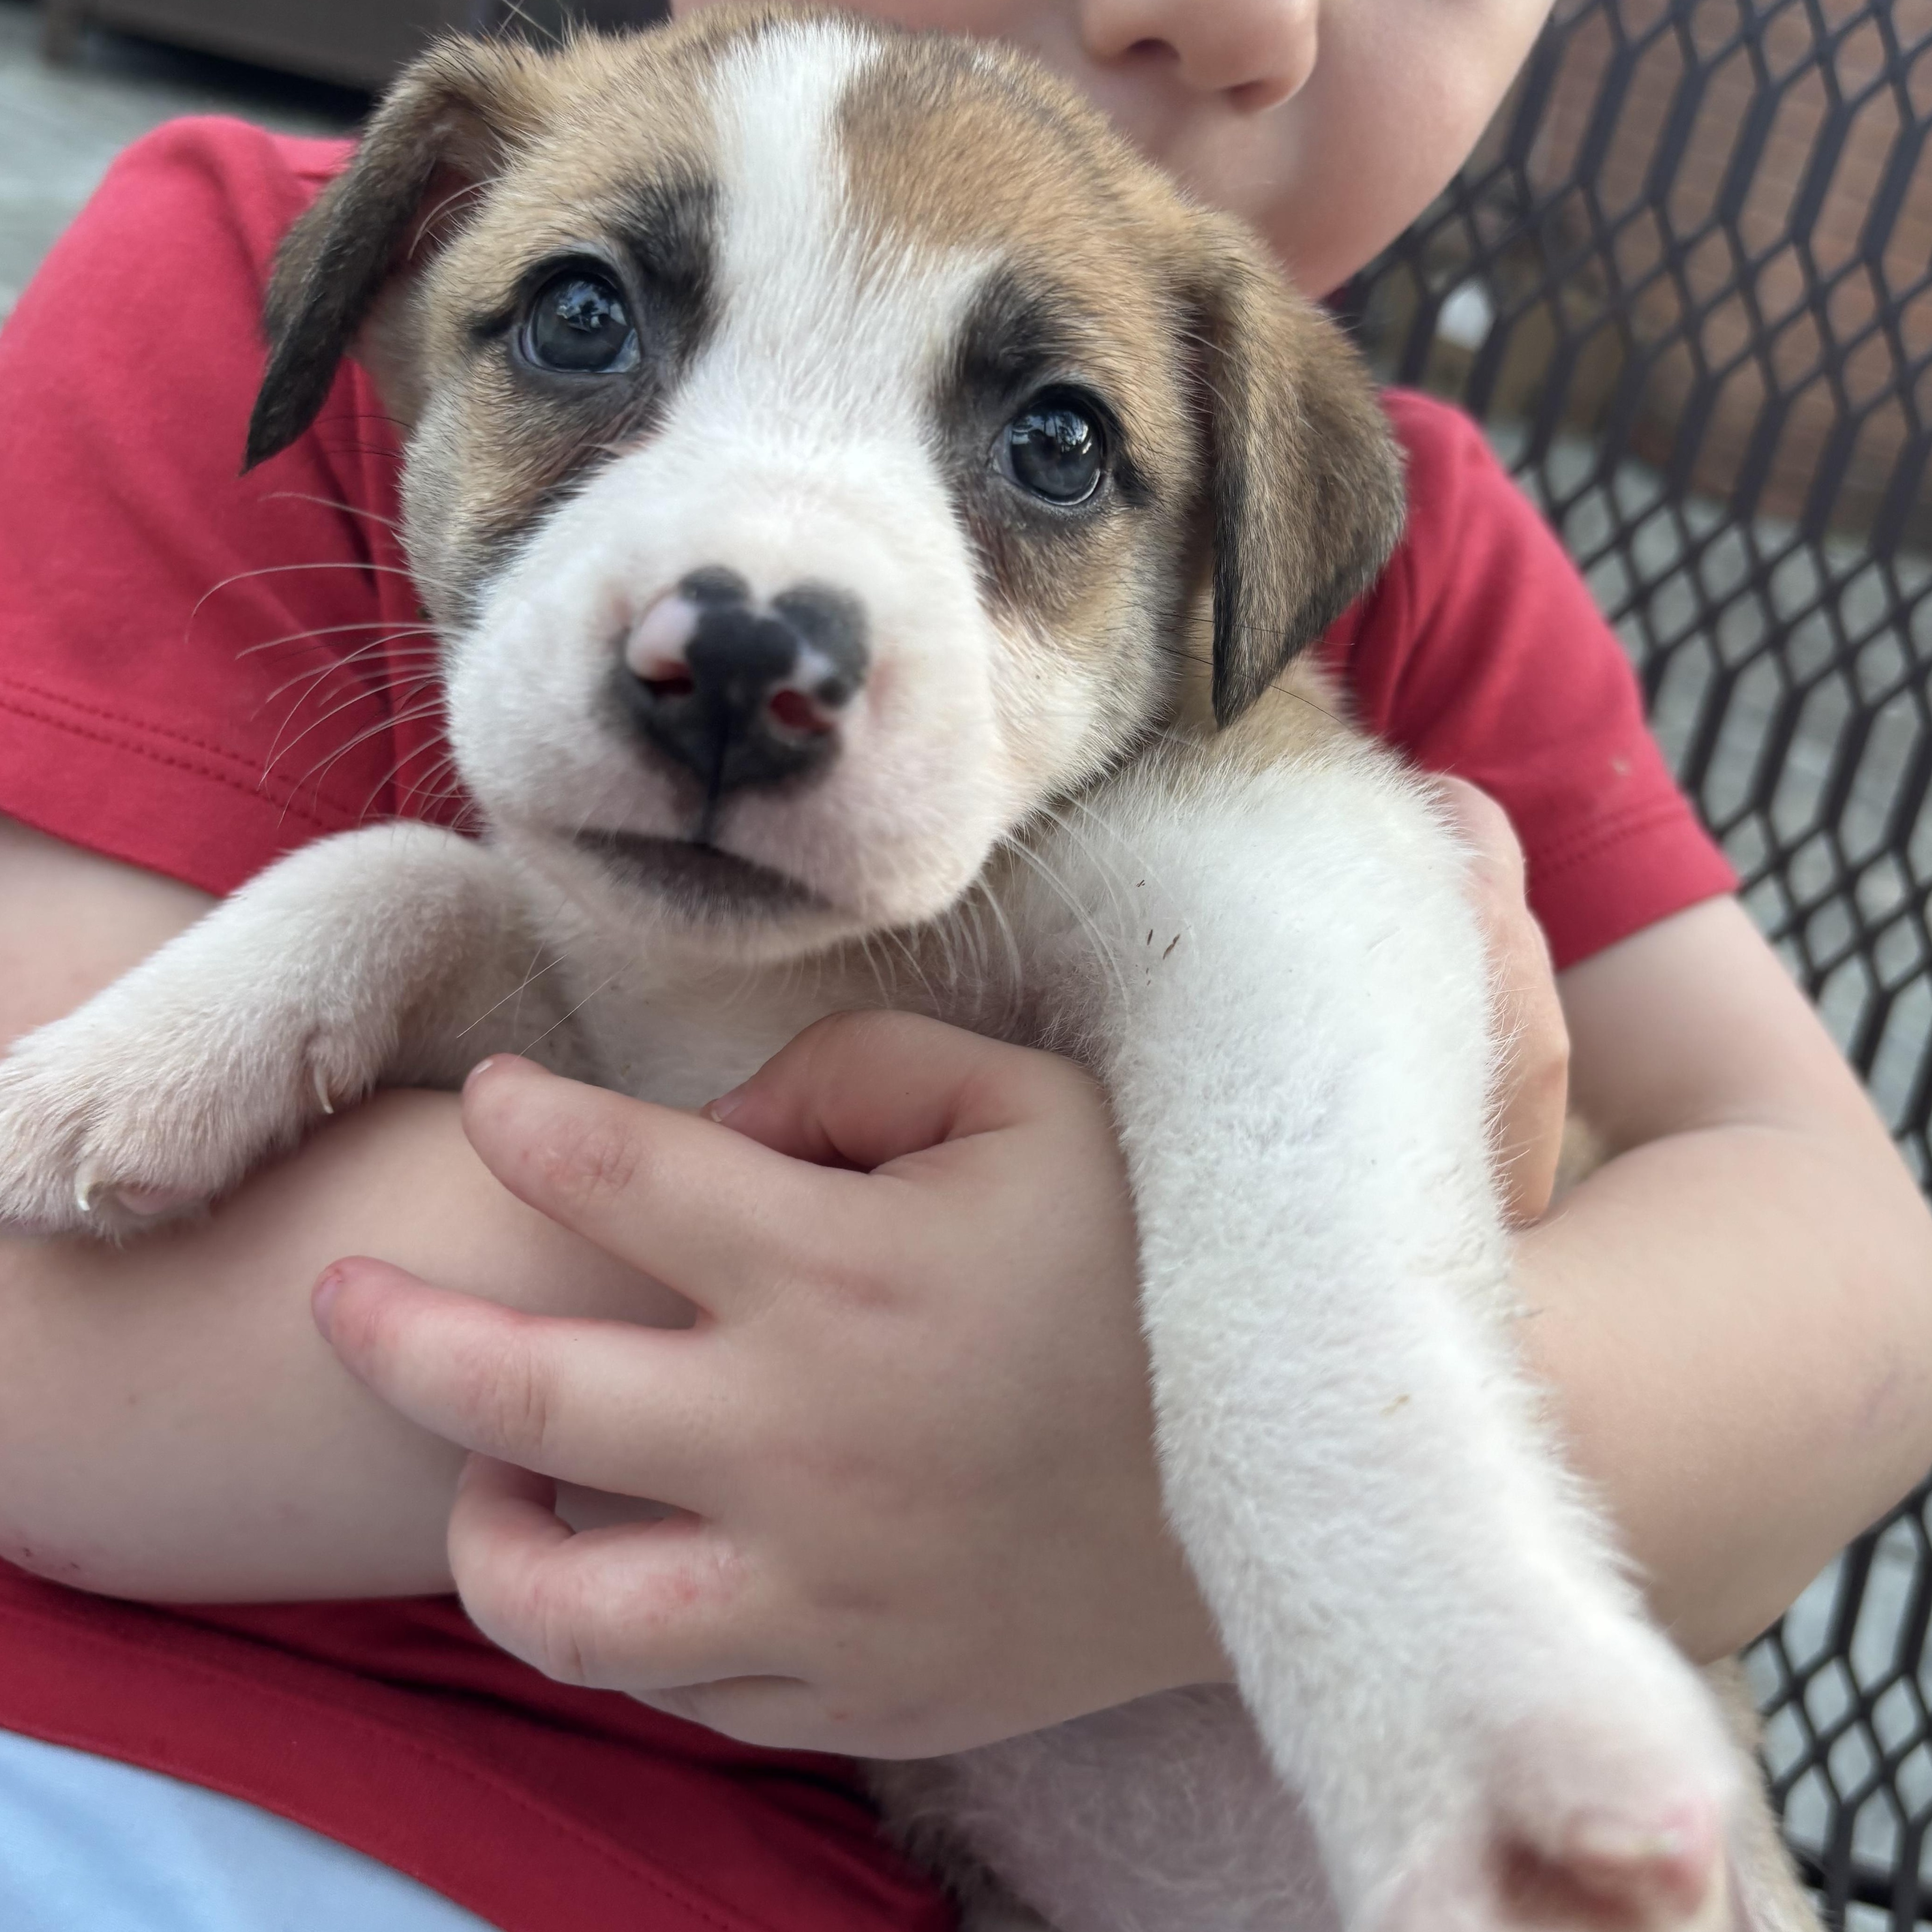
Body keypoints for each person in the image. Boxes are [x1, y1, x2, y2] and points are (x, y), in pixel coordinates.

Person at [1, 0, 1929, 1925]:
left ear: (1218, 569)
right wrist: (383, 922)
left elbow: (1308, 932)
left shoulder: (1272, 666)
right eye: (588, 328)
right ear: (409, 278)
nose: (748, 638)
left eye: (1050, 442)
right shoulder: (222, 263)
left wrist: (1247, 1519)